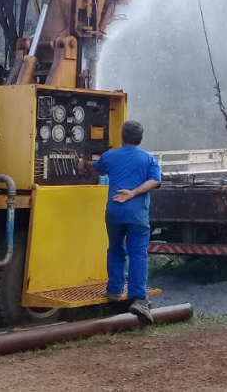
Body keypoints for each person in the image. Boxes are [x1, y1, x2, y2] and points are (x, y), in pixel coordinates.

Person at [81, 120, 161, 324]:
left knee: (115, 250)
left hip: (115, 213)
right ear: (140, 138)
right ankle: (139, 300)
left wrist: (82, 163)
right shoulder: (148, 159)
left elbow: (96, 167)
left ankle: (114, 292)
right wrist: (134, 192)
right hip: (137, 215)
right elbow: (155, 181)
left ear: (122, 136)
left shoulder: (110, 156)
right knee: (138, 254)